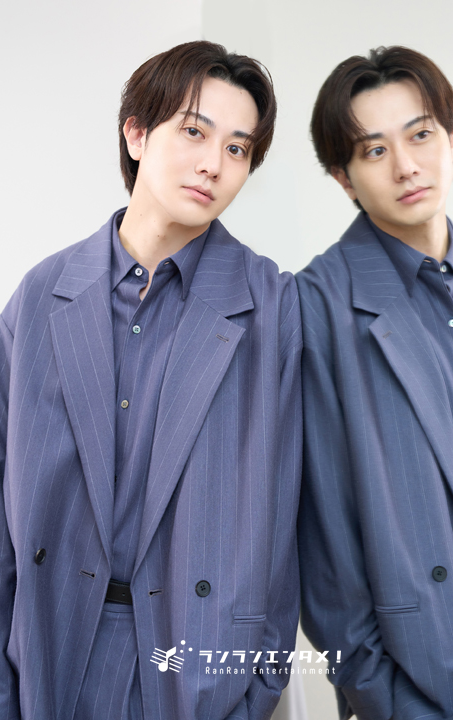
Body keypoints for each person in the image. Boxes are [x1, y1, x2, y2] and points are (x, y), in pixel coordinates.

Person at [0, 41, 302, 720]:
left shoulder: (274, 309)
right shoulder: (43, 297)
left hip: (192, 671)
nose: (214, 164)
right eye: (194, 132)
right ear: (136, 133)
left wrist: (254, 691)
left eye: (238, 149)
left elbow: (293, 520)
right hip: (48, 657)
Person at [297, 45, 453, 720]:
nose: (407, 166)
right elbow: (324, 541)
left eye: (421, 135)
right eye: (375, 150)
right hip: (425, 681)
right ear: (344, 178)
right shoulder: (318, 304)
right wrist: (387, 700)